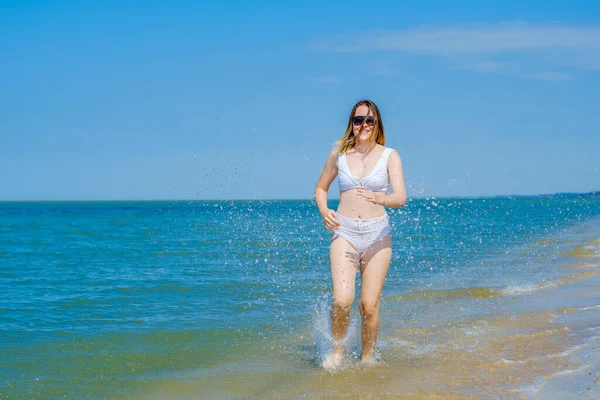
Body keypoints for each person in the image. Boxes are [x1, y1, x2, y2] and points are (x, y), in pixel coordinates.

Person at [314, 99, 407, 368]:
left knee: (369, 305)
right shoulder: (339, 155)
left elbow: (400, 197)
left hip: (378, 235)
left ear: (377, 124)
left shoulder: (390, 155)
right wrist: (324, 210)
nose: (363, 125)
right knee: (342, 300)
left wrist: (380, 197)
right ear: (351, 124)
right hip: (344, 232)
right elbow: (320, 188)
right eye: (358, 120)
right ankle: (338, 352)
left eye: (369, 120)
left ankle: (367, 359)